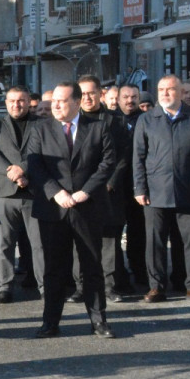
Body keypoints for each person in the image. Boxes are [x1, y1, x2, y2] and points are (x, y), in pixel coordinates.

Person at [25, 83, 117, 338]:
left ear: (77, 102)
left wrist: (85, 191)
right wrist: (57, 192)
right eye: (54, 100)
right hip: (53, 209)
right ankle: (50, 322)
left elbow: (107, 162)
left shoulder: (98, 127)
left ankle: (99, 320)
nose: (55, 105)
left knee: (91, 265)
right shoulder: (40, 129)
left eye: (62, 101)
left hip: (87, 207)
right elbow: (35, 165)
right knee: (54, 268)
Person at [133, 75, 190, 303]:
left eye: (170, 89)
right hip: (155, 192)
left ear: (180, 92)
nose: (165, 93)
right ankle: (156, 287)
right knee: (155, 242)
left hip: (189, 190)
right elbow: (138, 157)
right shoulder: (147, 119)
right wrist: (139, 188)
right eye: (161, 89)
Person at [77, 75, 130, 303]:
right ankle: (80, 286)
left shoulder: (116, 121)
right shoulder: (71, 121)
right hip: (78, 191)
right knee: (78, 240)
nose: (87, 97)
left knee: (109, 242)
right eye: (83, 93)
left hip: (108, 191)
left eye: (91, 92)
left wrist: (110, 181)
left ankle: (109, 286)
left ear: (100, 93)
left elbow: (123, 157)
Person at [0, 86, 43, 303]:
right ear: (6, 102)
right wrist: (11, 172)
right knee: (4, 244)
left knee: (38, 244)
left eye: (21, 100)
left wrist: (23, 169)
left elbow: (42, 151)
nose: (16, 105)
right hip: (6, 193)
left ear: (29, 101)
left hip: (33, 192)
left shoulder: (41, 124)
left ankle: (44, 285)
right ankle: (5, 287)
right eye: (11, 101)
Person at [116, 84, 147, 289]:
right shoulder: (110, 120)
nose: (130, 100)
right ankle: (119, 277)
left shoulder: (147, 119)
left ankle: (140, 273)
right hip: (116, 187)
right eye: (126, 97)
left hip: (140, 187)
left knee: (139, 233)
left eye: (134, 97)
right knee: (114, 235)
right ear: (118, 99)